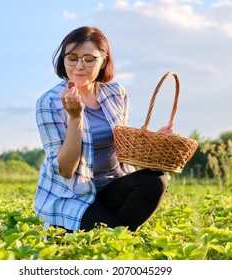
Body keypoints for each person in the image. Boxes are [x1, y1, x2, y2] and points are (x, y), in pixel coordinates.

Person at [35, 26, 172, 232]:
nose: (79, 65)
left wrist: (151, 141)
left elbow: (123, 146)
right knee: (117, 238)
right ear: (63, 60)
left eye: (89, 59)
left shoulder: (115, 93)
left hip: (111, 186)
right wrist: (75, 118)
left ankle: (105, 231)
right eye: (72, 58)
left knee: (155, 181)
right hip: (72, 195)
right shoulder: (49, 102)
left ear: (103, 61)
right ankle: (68, 229)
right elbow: (65, 169)